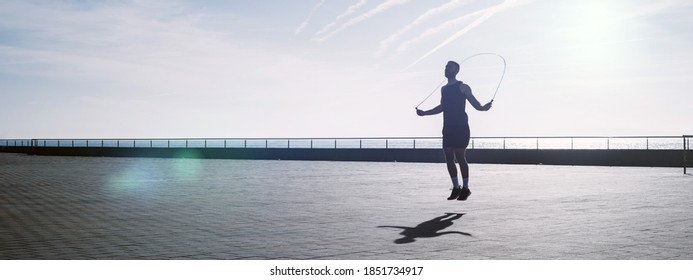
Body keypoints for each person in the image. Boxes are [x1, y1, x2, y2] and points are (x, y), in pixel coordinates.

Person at [416, 61, 492, 201]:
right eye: (445, 67)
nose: (446, 69)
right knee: (449, 157)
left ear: (456, 70)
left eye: (449, 67)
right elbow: (442, 107)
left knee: (460, 156)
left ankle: (466, 188)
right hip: (448, 127)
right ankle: (456, 187)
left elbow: (476, 104)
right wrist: (425, 113)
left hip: (461, 126)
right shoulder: (444, 90)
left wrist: (484, 108)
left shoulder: (463, 87)